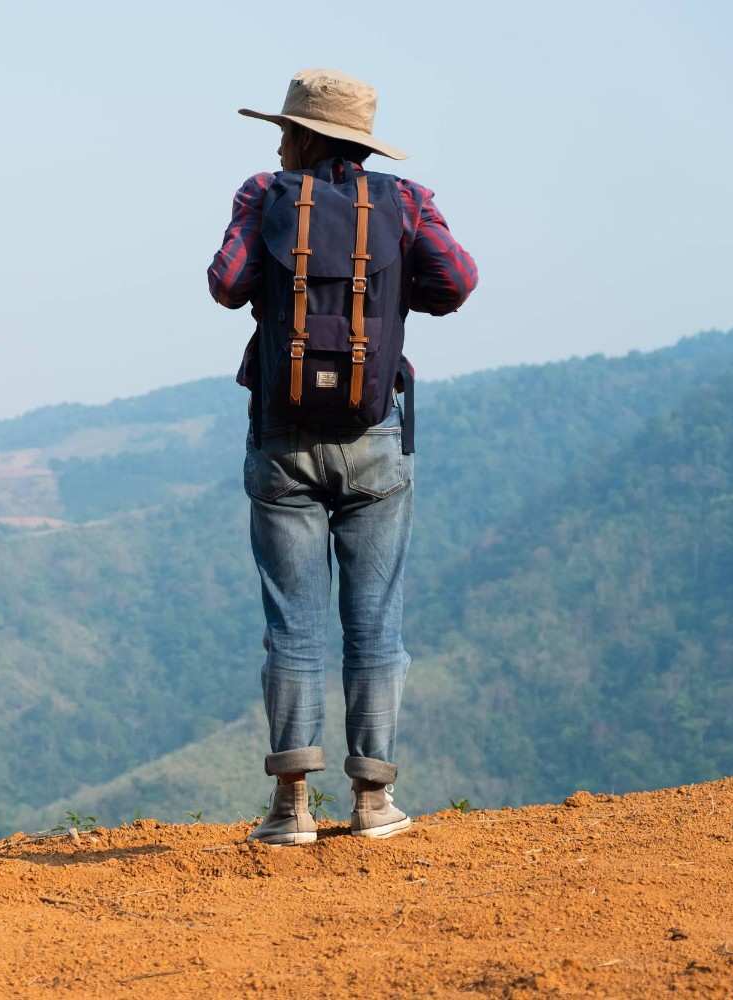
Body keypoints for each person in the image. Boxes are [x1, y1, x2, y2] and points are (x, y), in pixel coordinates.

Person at [208, 69, 477, 844]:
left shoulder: (263, 196)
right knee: (376, 627)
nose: (279, 141)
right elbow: (456, 280)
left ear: (306, 136)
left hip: (282, 439)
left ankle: (290, 809)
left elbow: (228, 284)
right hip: (374, 442)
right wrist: (388, 297)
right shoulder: (407, 202)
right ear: (358, 142)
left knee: (292, 629)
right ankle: (373, 803)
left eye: (286, 129)